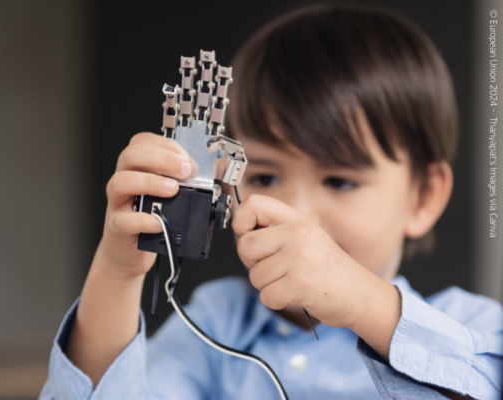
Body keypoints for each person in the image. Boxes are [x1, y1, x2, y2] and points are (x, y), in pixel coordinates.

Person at [39, 4, 503, 399]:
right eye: (264, 175)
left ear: (423, 196)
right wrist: (118, 274)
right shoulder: (216, 325)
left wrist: (363, 302)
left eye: (339, 181)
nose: (295, 211)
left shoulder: (470, 323)